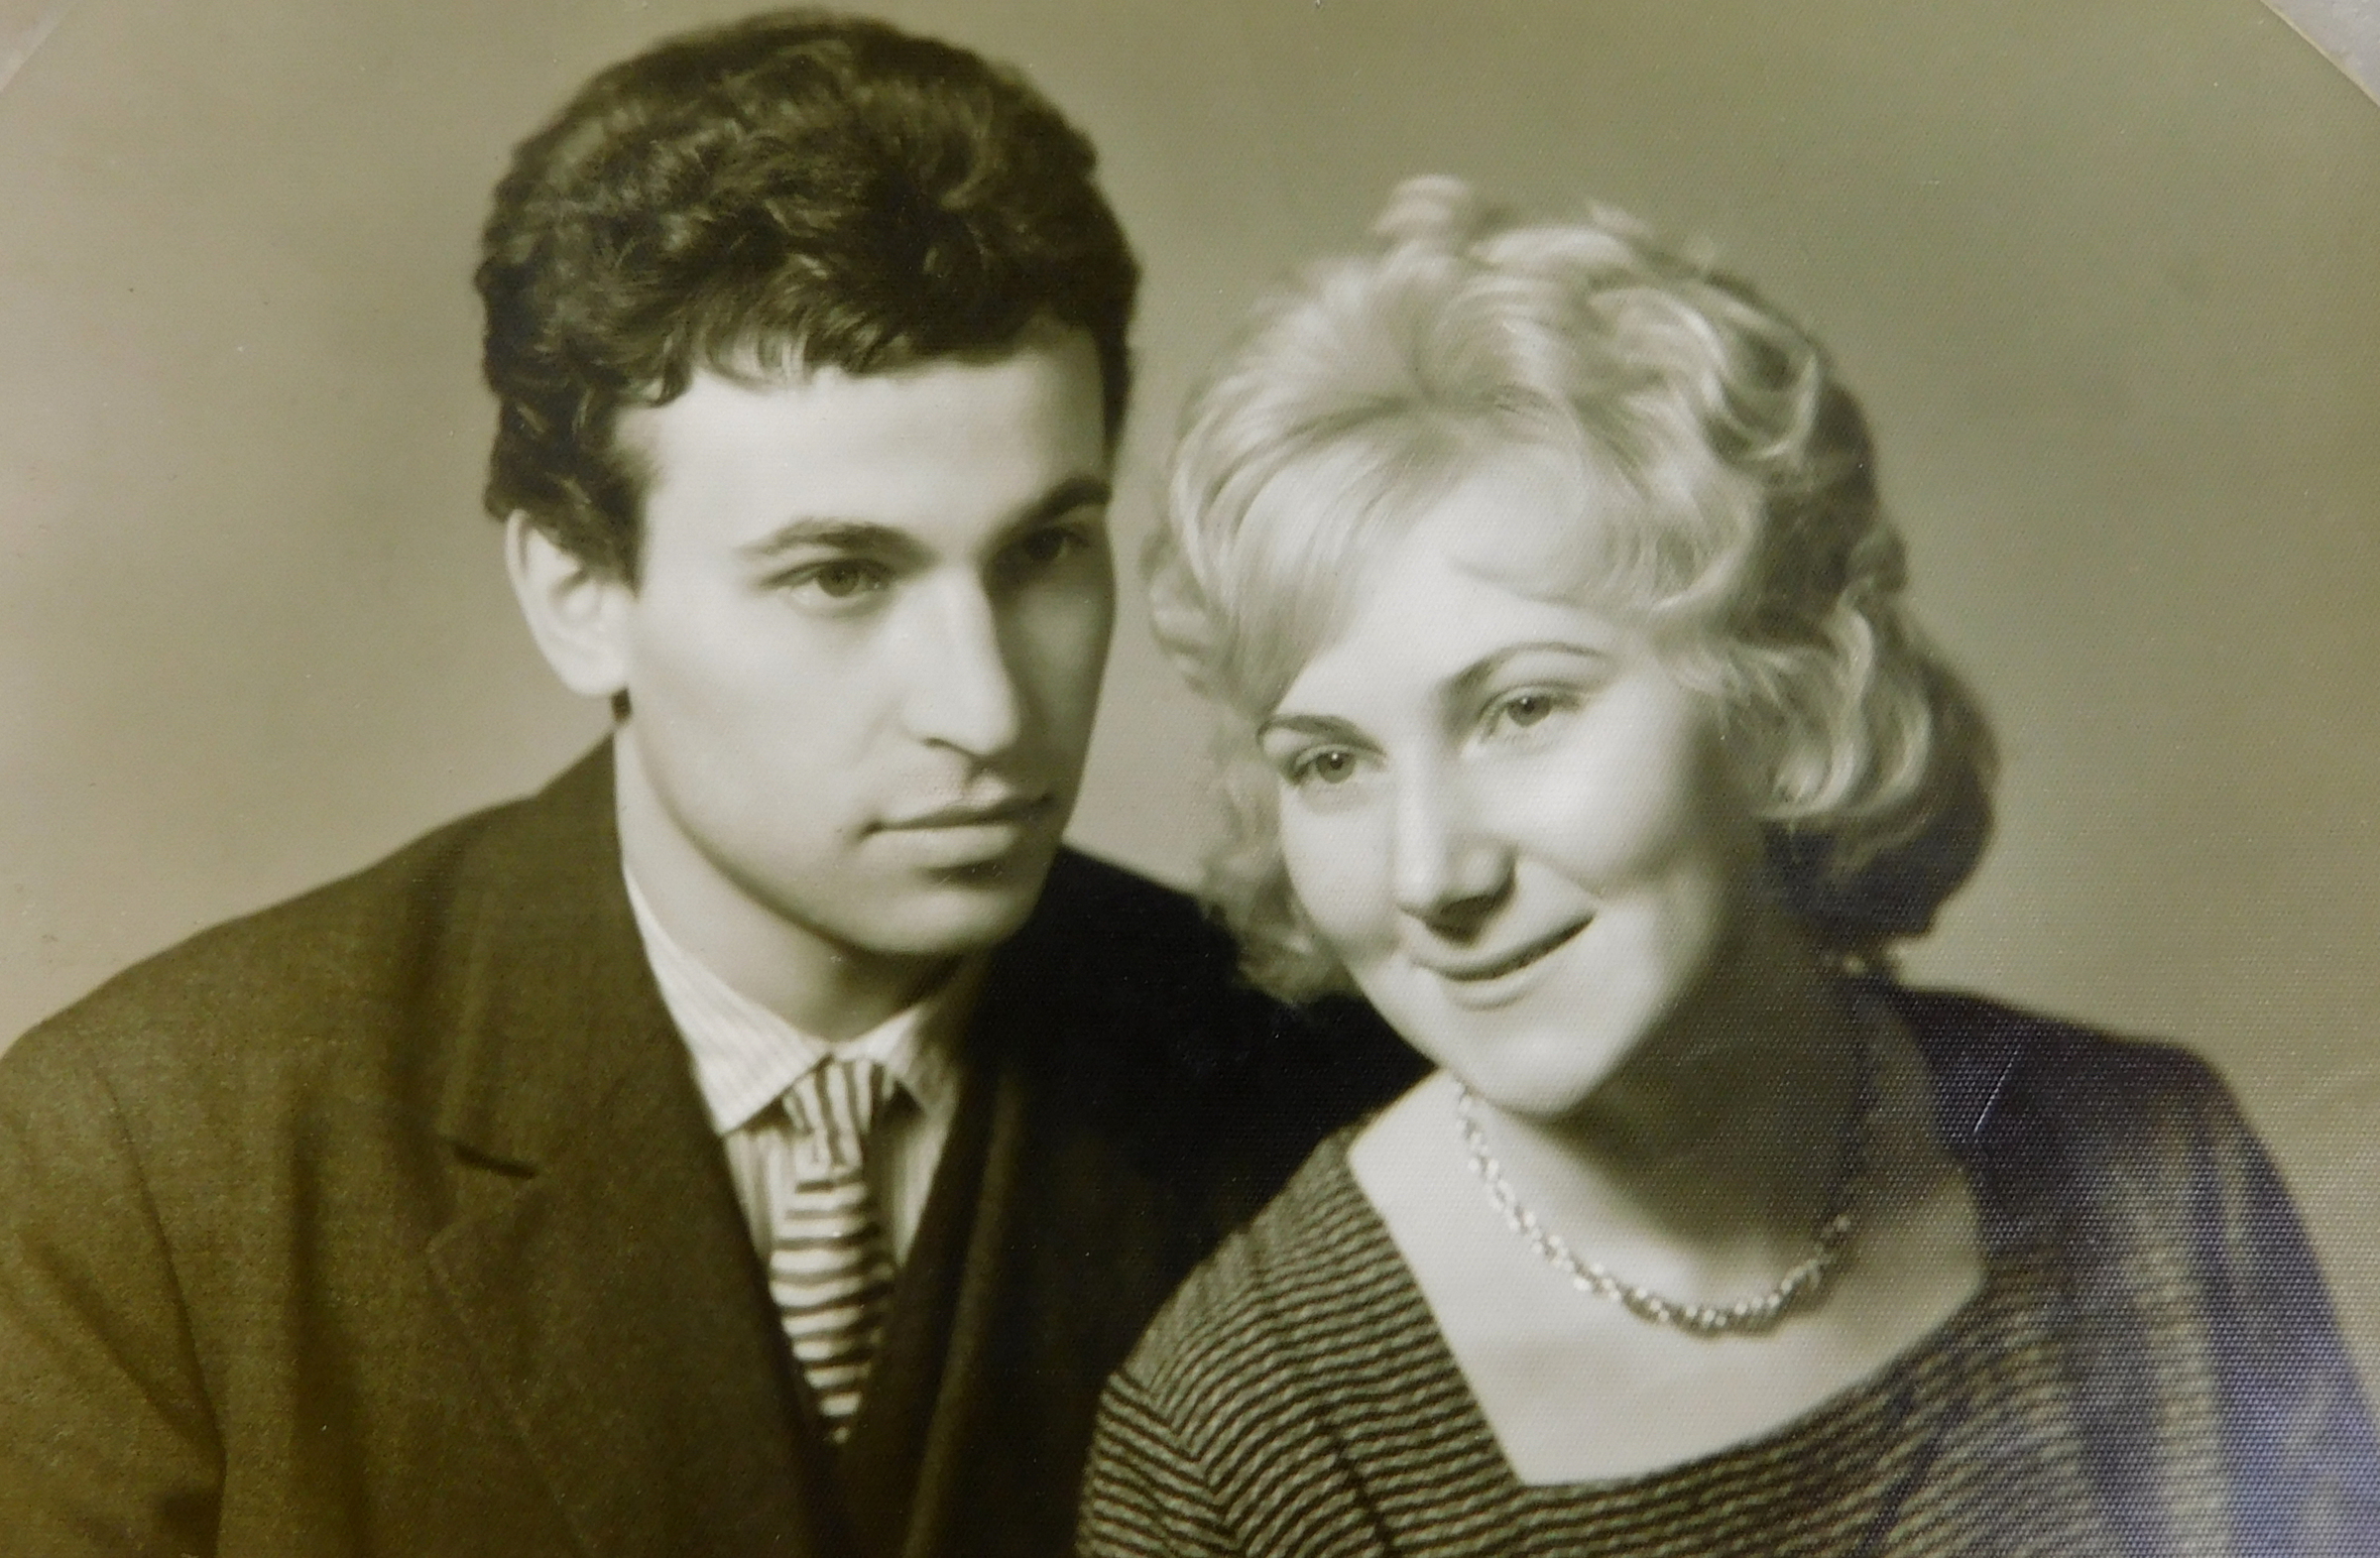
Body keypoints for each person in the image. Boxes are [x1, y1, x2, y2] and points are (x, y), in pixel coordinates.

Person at [0, 14, 1413, 1557]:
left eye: (1043, 551)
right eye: (840, 575)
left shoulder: (1334, 1098)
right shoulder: (140, 1161)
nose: (988, 708)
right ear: (577, 593)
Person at [1075, 178, 2380, 1556]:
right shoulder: (1232, 1443)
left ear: (1780, 701)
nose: (1432, 873)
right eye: (1333, 761)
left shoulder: (2154, 1168)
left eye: (1523, 708)